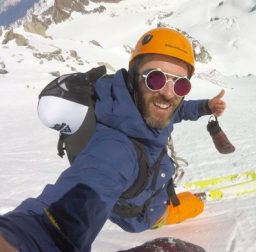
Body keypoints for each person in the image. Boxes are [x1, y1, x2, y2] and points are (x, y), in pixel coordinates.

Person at [0, 27, 227, 252]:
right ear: (134, 76)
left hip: (147, 189)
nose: (169, 93)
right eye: (155, 79)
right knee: (189, 208)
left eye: (181, 84)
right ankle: (164, 214)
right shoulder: (115, 151)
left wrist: (206, 106)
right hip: (141, 215)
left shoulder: (141, 105)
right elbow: (54, 221)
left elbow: (179, 110)